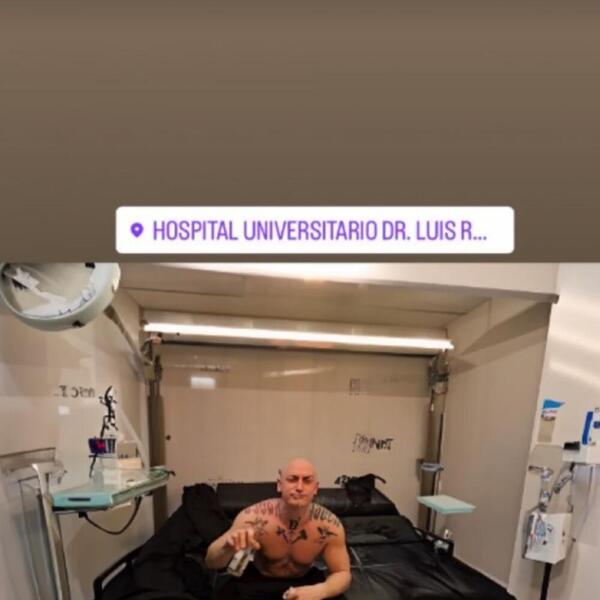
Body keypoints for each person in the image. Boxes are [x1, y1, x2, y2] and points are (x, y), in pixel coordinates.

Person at [205, 458, 351, 600]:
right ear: (280, 485)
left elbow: (343, 573)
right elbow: (211, 562)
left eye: (307, 480)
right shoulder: (253, 517)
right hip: (259, 580)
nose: (299, 487)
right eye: (292, 479)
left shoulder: (329, 525)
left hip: (304, 581)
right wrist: (227, 548)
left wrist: (319, 592)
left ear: (315, 488)